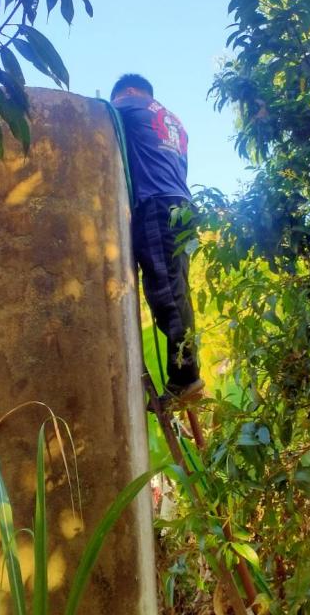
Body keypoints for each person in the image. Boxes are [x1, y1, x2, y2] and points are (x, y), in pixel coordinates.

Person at [111, 74, 204, 404]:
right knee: (178, 289)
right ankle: (185, 372)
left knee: (165, 290)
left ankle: (185, 376)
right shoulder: (174, 122)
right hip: (182, 206)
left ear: (130, 91)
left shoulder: (131, 103)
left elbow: (100, 112)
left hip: (156, 203)